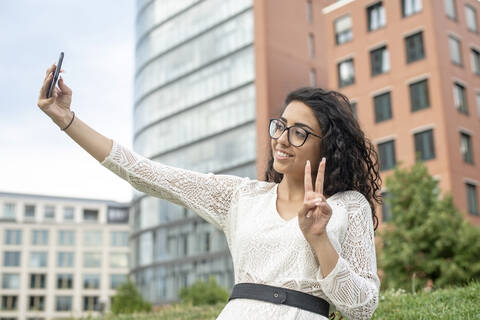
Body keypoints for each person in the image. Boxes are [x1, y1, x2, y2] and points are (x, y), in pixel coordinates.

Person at [37, 64, 382, 319]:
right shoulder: (241, 197)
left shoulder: (348, 207)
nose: (280, 139)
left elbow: (362, 308)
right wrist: (66, 119)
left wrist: (319, 238)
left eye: (299, 132)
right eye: (280, 126)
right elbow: (144, 172)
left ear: (329, 146)